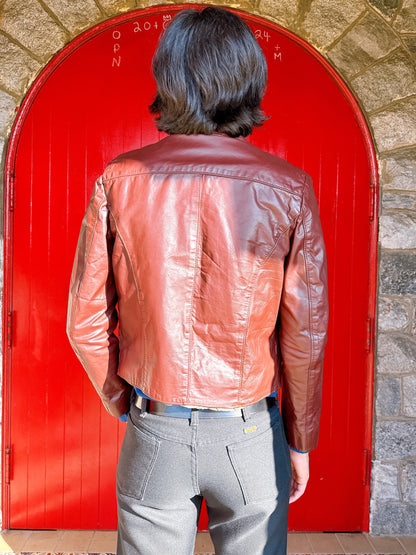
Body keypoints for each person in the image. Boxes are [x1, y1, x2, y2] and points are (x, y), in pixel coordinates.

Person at [67, 6, 328, 555]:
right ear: (248, 79)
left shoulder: (120, 179)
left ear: (169, 79)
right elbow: (305, 334)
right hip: (251, 435)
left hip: (156, 427)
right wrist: (300, 441)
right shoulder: (291, 188)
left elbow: (85, 323)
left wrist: (127, 404)